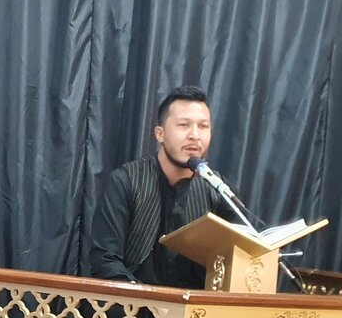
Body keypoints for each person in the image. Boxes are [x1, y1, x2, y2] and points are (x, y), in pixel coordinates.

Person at [89, 85, 236, 289]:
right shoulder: (125, 181)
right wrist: (146, 300)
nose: (195, 135)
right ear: (160, 134)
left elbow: (242, 250)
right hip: (132, 304)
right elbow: (105, 259)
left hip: (196, 306)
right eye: (184, 125)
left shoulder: (217, 189)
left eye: (203, 126)